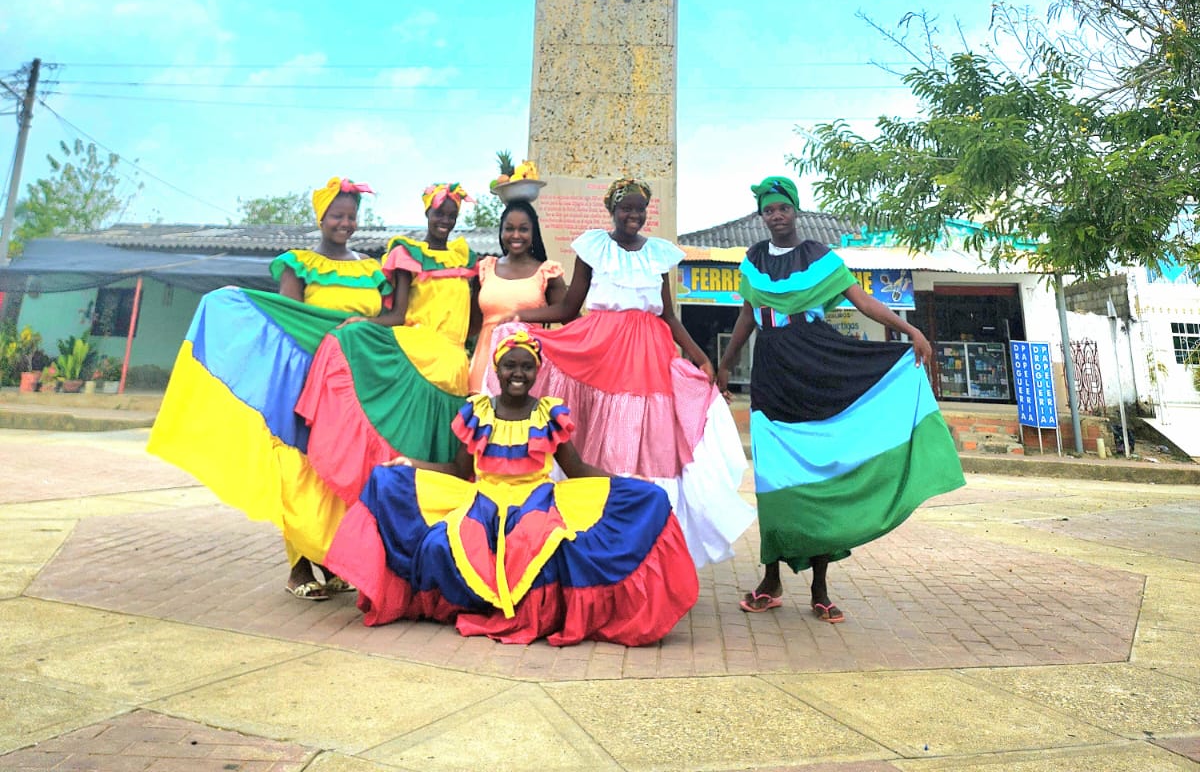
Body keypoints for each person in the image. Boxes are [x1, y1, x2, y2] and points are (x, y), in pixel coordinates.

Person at [324, 329, 699, 645]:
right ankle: (467, 603)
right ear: (497, 370)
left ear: (536, 372)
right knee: (434, 530)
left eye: (525, 367)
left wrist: (624, 482)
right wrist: (409, 463)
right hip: (482, 500)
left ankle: (523, 606)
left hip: (537, 499)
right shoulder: (477, 412)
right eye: (509, 366)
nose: (517, 373)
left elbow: (576, 468)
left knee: (547, 539)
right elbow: (457, 469)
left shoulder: (549, 413)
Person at [716, 175, 965, 622]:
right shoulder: (751, 261)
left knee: (824, 469)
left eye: (783, 208)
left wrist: (909, 330)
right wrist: (726, 362)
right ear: (762, 216)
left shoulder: (819, 257)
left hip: (817, 366)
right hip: (772, 375)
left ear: (795, 211)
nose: (776, 216)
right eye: (768, 210)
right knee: (774, 479)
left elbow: (862, 301)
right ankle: (770, 580)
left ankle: (820, 587)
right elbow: (747, 316)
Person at [148, 176, 389, 600]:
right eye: (337, 215)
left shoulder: (371, 268)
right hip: (310, 379)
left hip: (355, 385)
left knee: (341, 469)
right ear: (321, 217)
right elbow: (287, 323)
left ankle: (331, 562)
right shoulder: (299, 264)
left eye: (351, 216)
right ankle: (299, 567)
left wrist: (361, 327)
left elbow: (387, 319)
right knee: (301, 466)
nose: (345, 223)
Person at [518, 175, 754, 568]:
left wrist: (701, 358)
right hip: (598, 352)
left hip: (647, 357)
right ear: (612, 210)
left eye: (639, 209)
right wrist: (519, 318)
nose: (633, 215)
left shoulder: (659, 255)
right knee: (599, 443)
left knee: (645, 445)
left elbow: (669, 316)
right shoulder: (593, 248)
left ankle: (643, 548)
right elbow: (567, 309)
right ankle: (591, 538)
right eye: (626, 208)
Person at [296, 182, 480, 506]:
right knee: (405, 442)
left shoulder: (467, 257)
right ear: (428, 211)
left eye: (452, 215)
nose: (445, 220)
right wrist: (362, 324)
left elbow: (475, 318)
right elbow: (396, 315)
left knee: (439, 453)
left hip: (453, 368)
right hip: (417, 355)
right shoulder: (407, 252)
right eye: (440, 212)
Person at [467, 198, 565, 393]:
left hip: (529, 374)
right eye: (509, 228)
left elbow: (568, 316)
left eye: (523, 229)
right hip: (483, 371)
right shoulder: (485, 269)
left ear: (533, 232)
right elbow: (472, 325)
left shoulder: (546, 273)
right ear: (501, 231)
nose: (516, 235)